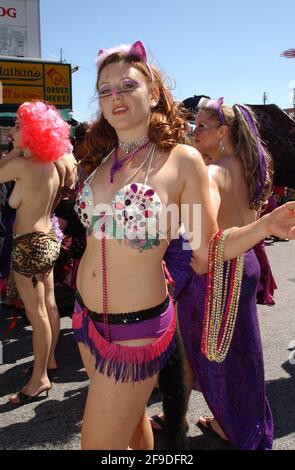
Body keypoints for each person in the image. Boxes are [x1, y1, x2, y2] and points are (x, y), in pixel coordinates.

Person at [72, 41, 295, 451]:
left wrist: (265, 225)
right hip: (84, 319)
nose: (114, 96)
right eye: (105, 90)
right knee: (135, 432)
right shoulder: (103, 158)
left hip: (133, 330)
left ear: (154, 93)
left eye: (127, 85)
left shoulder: (183, 161)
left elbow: (205, 252)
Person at [160, 98, 275, 449]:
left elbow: (198, 238)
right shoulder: (254, 166)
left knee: (207, 355)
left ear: (223, 132)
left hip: (216, 271)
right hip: (247, 263)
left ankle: (222, 422)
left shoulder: (211, 173)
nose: (195, 133)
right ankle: (234, 422)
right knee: (242, 354)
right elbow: (253, 224)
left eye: (202, 127)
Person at [0, 100, 72, 405]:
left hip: (29, 246)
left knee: (38, 313)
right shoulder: (51, 166)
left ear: (32, 131)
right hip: (47, 241)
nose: (12, 130)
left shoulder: (20, 165)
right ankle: (50, 361)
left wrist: (14, 150)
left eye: (18, 125)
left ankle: (40, 378)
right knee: (50, 306)